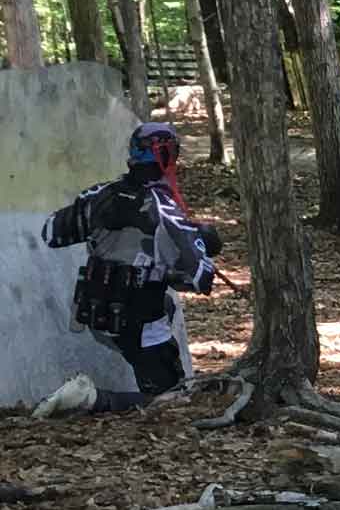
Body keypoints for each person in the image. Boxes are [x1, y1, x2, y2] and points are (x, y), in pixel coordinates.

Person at [30, 122, 221, 418]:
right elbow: (201, 279)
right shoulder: (163, 208)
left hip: (97, 313)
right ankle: (90, 399)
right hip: (141, 321)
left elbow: (51, 233)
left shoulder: (98, 195)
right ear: (165, 155)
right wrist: (204, 238)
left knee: (165, 307)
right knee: (174, 400)